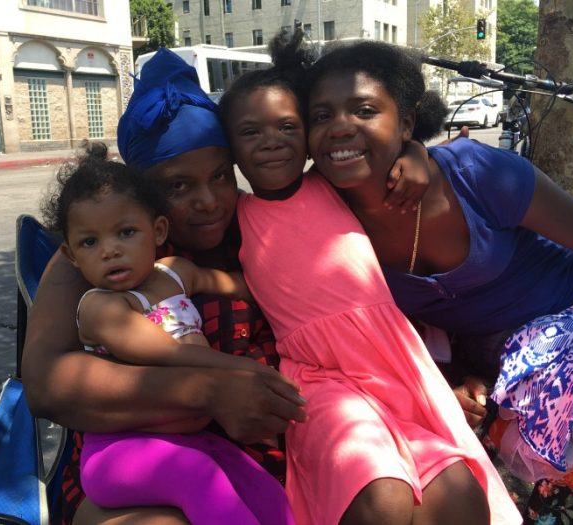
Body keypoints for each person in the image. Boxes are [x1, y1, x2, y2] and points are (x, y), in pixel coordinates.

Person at [22, 47, 424, 525]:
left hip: (274, 451)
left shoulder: (259, 227)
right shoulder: (98, 261)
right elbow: (46, 386)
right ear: (143, 195)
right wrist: (205, 391)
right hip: (142, 459)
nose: (209, 201)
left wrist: (414, 153)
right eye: (178, 187)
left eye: (219, 176)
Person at [217, 30, 520, 525]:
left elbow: (381, 152)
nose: (271, 141)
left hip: (391, 365)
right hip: (321, 377)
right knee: (381, 496)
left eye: (288, 126)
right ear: (230, 147)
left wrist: (417, 152)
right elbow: (247, 279)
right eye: (250, 132)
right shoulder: (238, 215)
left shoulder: (334, 186)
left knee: (460, 489)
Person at [302, 38, 573, 523]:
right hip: (504, 368)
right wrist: (456, 381)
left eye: (363, 110)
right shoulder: (321, 215)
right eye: (320, 116)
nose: (340, 127)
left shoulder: (474, 172)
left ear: (405, 122)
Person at [40, 148, 295, 525]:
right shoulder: (103, 308)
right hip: (119, 452)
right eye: (90, 243)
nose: (110, 250)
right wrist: (244, 372)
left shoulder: (175, 273)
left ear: (156, 231)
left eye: (126, 233)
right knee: (201, 479)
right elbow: (172, 354)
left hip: (190, 442)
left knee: (260, 488)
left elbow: (243, 286)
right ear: (72, 255)